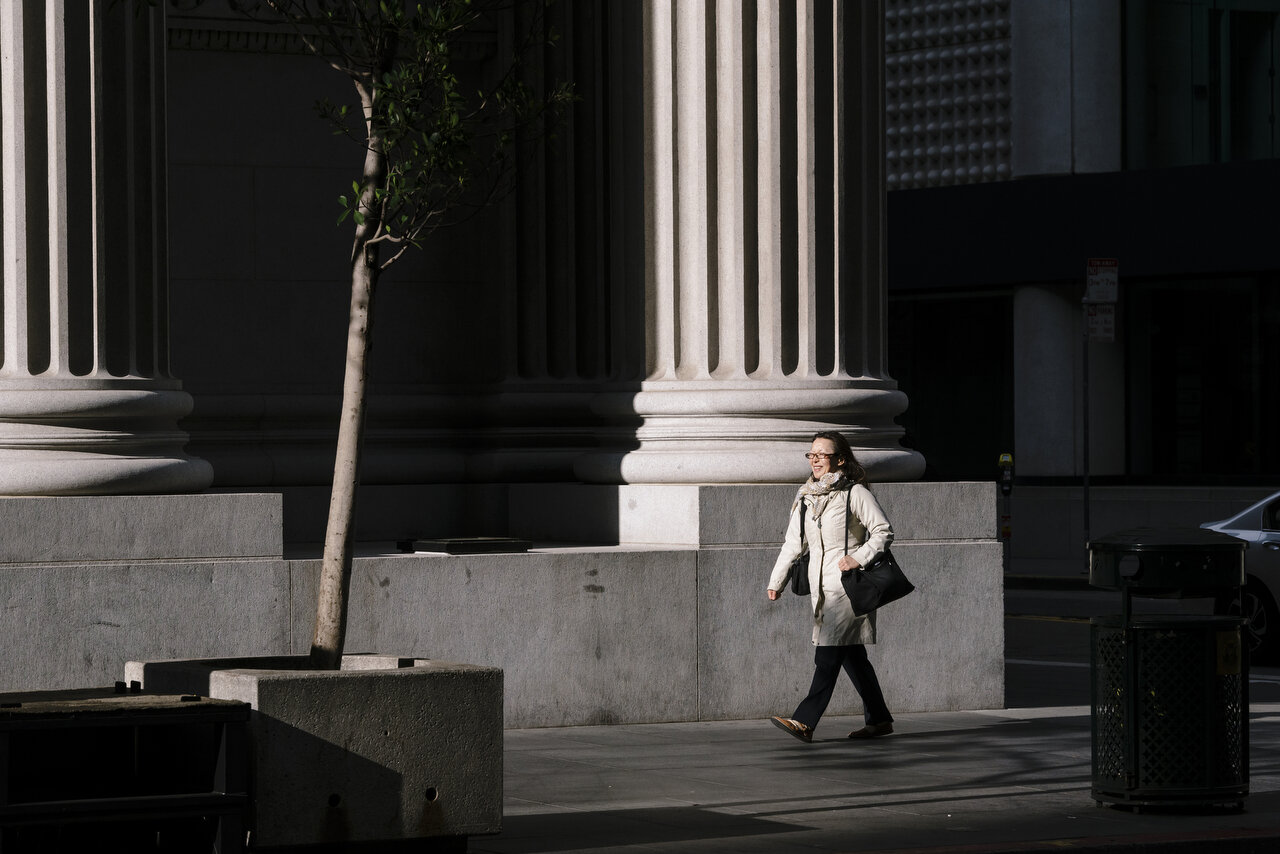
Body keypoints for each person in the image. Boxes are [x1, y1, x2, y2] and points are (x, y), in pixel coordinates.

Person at [766, 431, 895, 743]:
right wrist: (776, 581)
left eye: (821, 455)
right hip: (820, 589)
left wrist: (858, 558)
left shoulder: (855, 494)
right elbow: (792, 544)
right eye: (811, 455)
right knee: (853, 657)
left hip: (848, 589)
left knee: (826, 656)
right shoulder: (806, 497)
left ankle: (804, 721)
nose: (815, 460)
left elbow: (882, 531)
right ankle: (879, 720)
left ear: (839, 459)